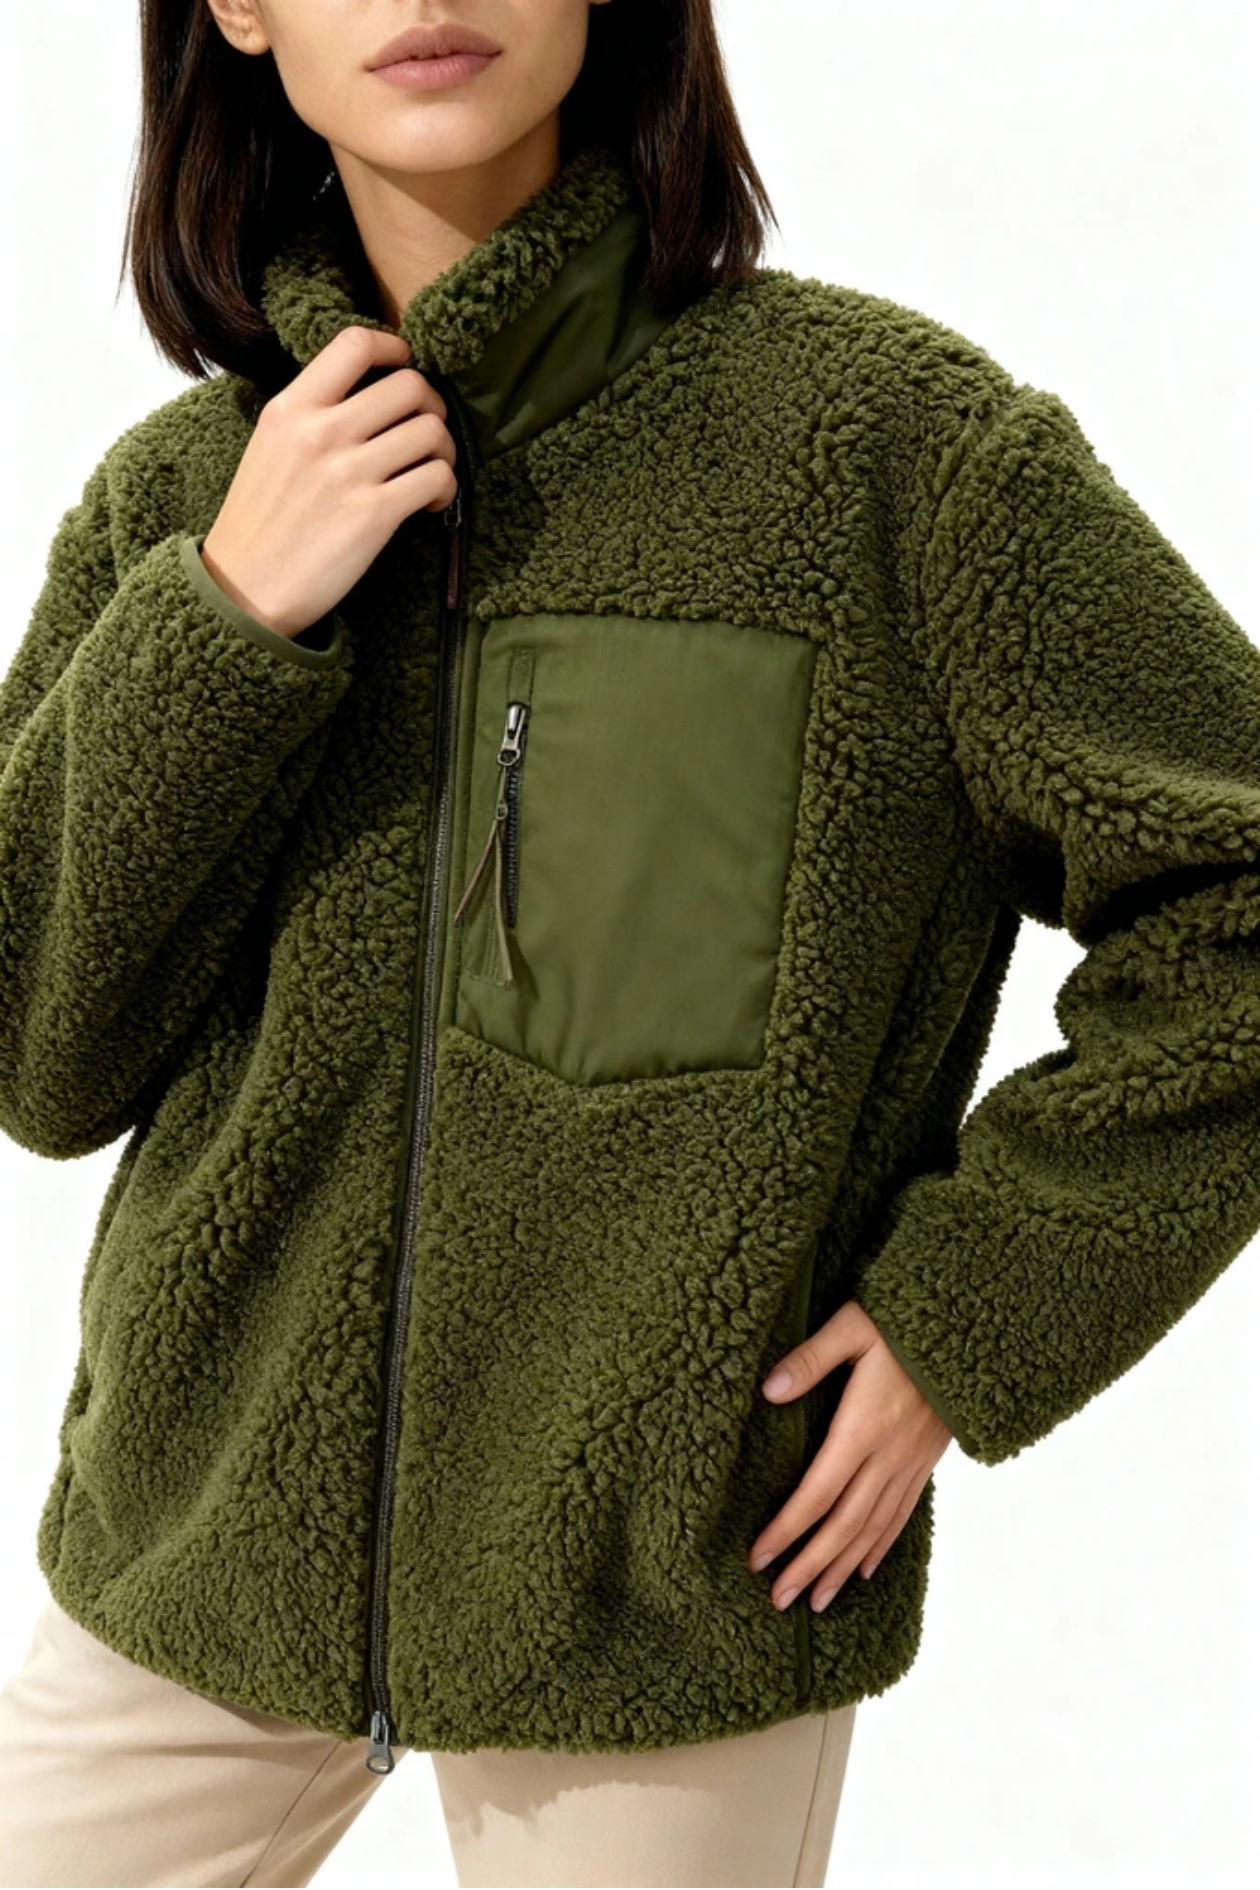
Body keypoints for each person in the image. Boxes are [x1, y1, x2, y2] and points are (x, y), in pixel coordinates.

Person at [0, 1, 1256, 1886]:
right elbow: (40, 1054)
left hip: (665, 1583)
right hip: (197, 1547)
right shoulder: (185, 501)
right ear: (237, 11)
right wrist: (229, 614)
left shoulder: (885, 454)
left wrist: (966, 1314)